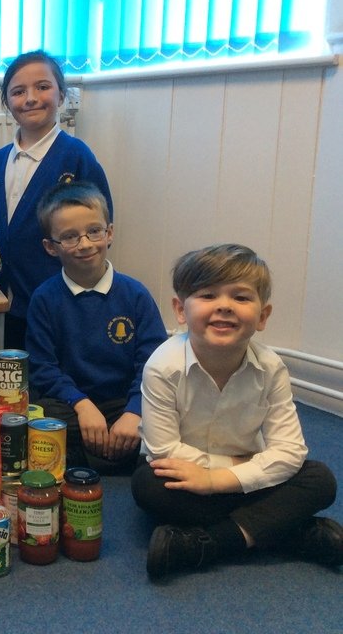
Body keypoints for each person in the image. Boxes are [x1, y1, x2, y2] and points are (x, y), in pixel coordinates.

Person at [132, 243, 341, 578]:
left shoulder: (271, 368)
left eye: (241, 298)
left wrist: (218, 480)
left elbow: (290, 451)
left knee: (320, 480)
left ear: (262, 316)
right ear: (180, 310)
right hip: (186, 472)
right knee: (148, 485)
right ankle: (290, 532)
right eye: (208, 295)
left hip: (239, 475)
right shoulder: (162, 366)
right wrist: (229, 471)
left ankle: (208, 543)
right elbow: (164, 450)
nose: (224, 307)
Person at [26, 182, 167, 472]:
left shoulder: (136, 294)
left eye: (94, 231)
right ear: (50, 247)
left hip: (122, 401)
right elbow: (44, 369)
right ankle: (115, 455)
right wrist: (81, 404)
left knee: (167, 416)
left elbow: (153, 366)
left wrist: (134, 412)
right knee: (43, 416)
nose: (86, 244)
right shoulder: (44, 298)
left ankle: (97, 453)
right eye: (69, 237)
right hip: (73, 405)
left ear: (110, 232)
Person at [0, 51, 112, 350]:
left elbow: (100, 229)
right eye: (18, 91)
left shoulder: (76, 156)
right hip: (6, 296)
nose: (30, 98)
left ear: (61, 95)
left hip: (58, 299)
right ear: (7, 102)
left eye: (42, 87)